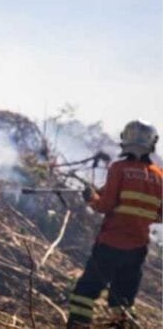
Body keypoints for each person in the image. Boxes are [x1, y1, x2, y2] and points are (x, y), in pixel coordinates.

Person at [67, 120, 162, 328]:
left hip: (110, 244)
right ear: (152, 144)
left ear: (125, 140)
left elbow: (105, 205)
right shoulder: (158, 176)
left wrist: (91, 197)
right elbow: (159, 214)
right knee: (123, 300)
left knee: (85, 292)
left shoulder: (119, 168)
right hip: (138, 249)